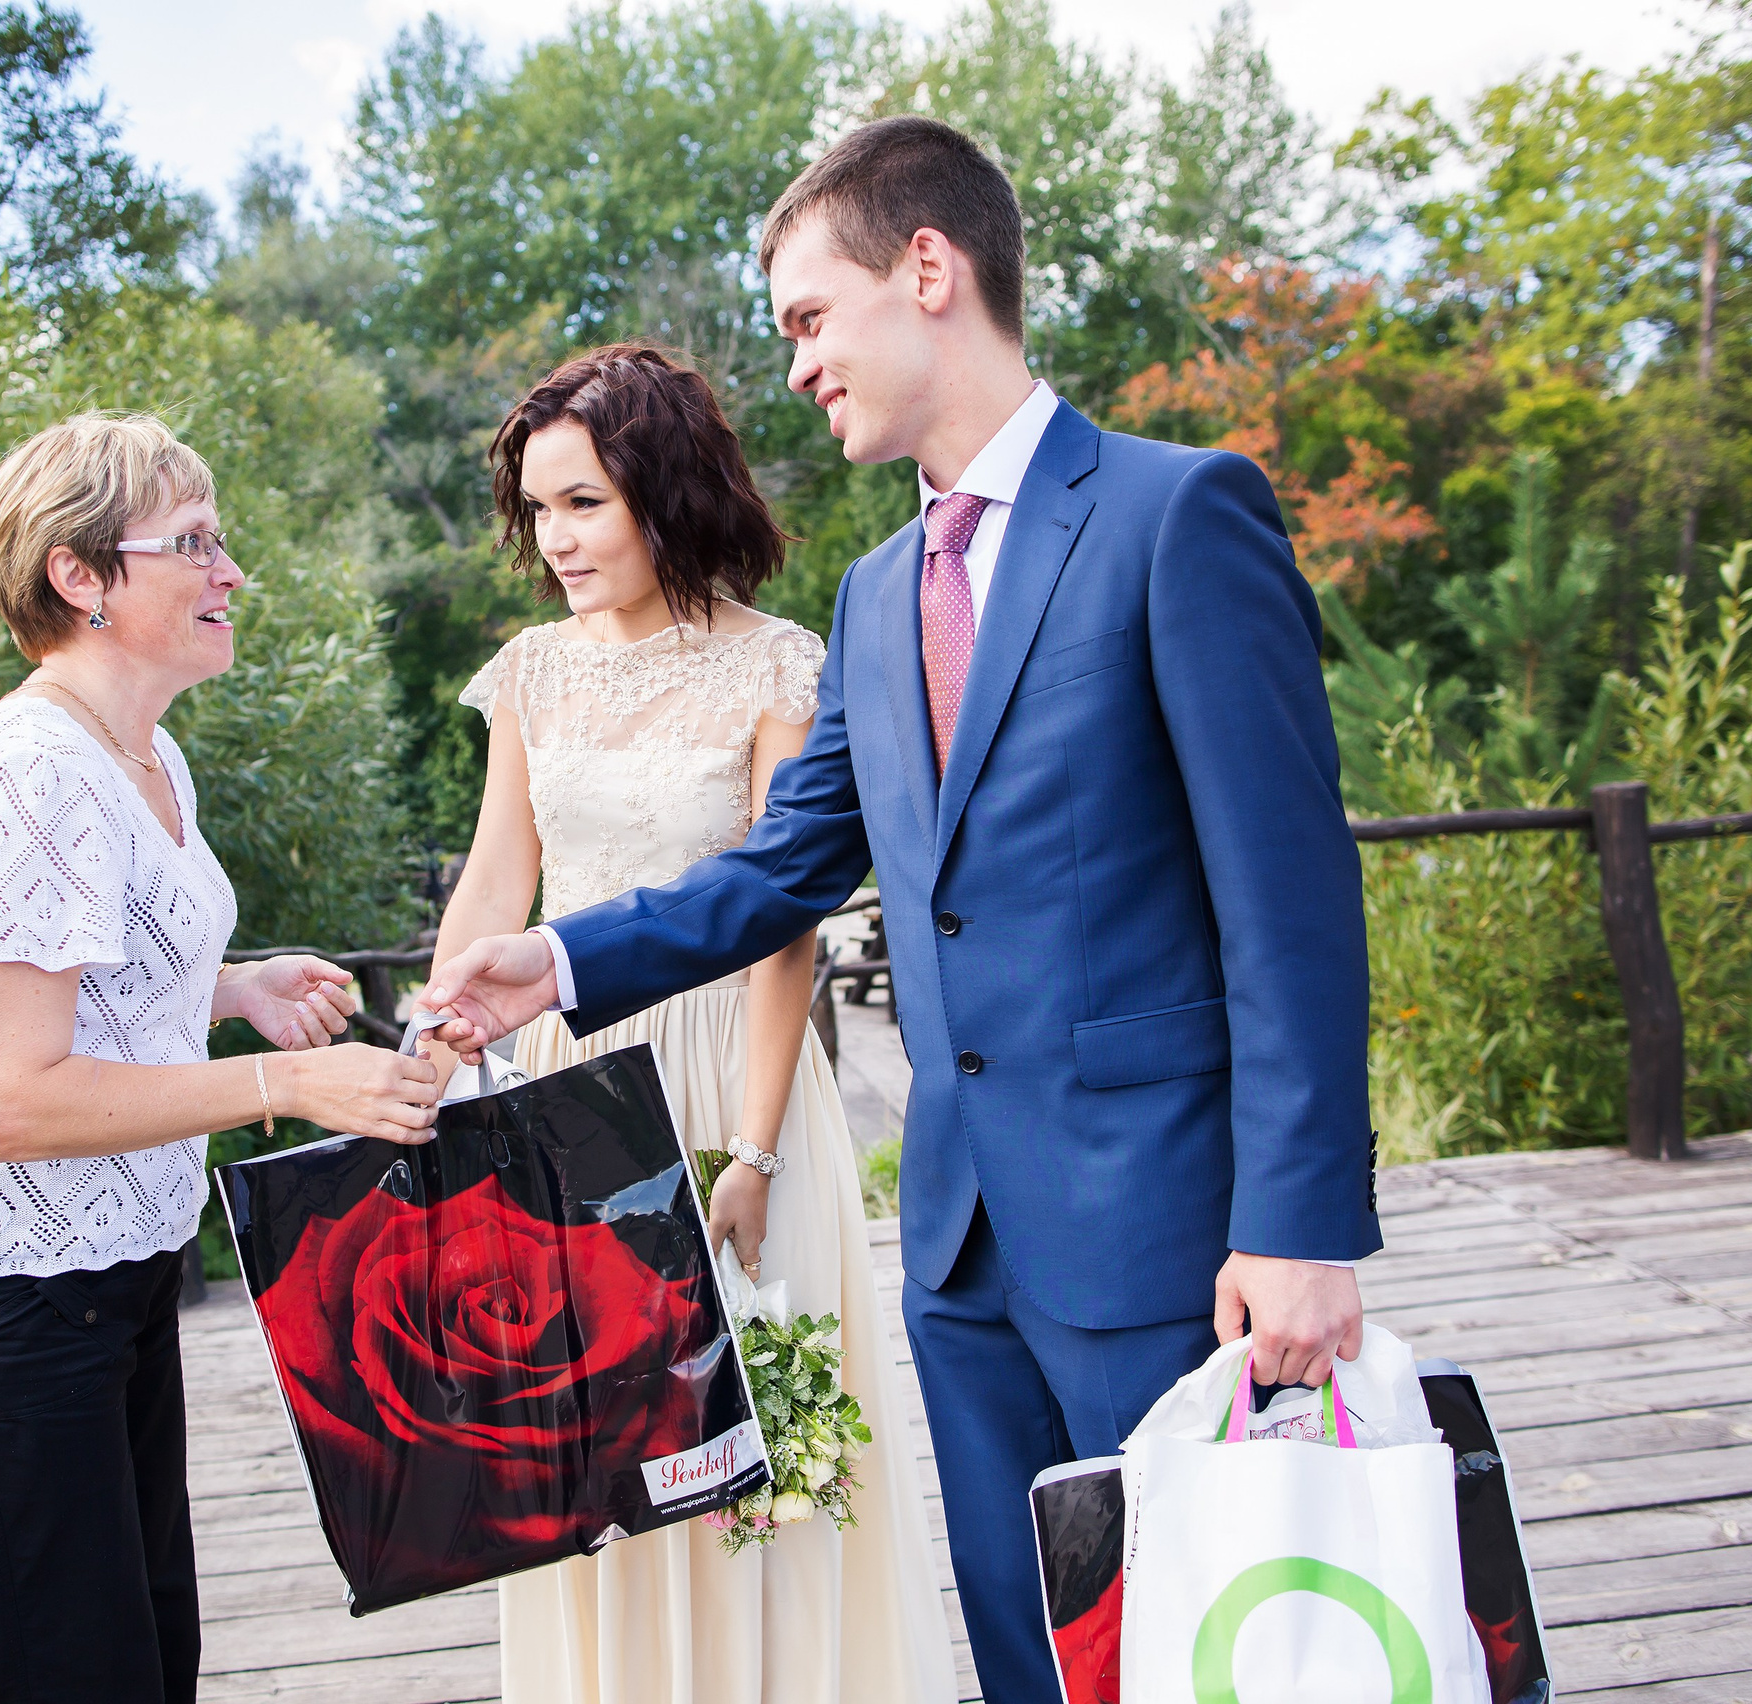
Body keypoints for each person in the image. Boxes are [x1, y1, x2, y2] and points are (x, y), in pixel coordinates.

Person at [422, 119, 1379, 1703]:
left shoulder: (1175, 516)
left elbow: (1291, 905)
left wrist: (1298, 1228)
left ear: (926, 270)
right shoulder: (874, 600)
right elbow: (784, 868)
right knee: (1032, 1655)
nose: (795, 362)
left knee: (1210, 1657)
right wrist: (562, 957)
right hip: (957, 1243)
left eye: (809, 316)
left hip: (1165, 1235)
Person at [0, 412, 443, 1704]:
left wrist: (237, 990)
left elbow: (99, 985)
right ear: (81, 578)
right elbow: (8, 1101)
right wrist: (288, 1083)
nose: (230, 573)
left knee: (149, 1671)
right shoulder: (26, 776)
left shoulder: (144, 753)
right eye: (193, 543)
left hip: (115, 1291)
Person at [429, 343, 955, 1704]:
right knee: (593, 1445)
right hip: (566, 1082)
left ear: (665, 492)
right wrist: (439, 1066)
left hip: (732, 1077)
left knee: (756, 1434)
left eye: (586, 503)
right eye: (539, 510)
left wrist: (753, 1149)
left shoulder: (779, 666)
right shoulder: (533, 674)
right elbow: (500, 876)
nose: (556, 540)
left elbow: (783, 917)